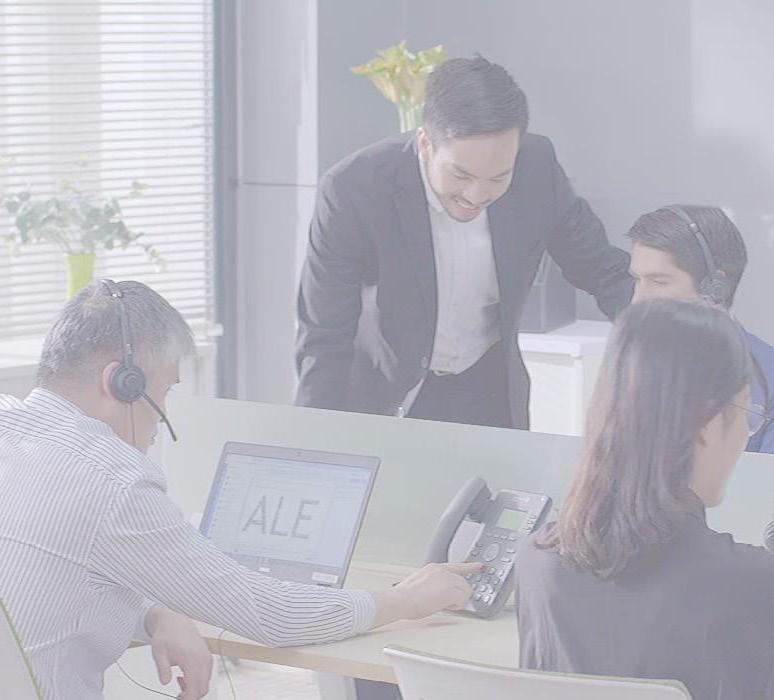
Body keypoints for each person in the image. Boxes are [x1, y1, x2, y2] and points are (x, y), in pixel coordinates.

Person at [0, 280, 477, 700]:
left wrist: (157, 612)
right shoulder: (110, 479)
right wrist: (407, 599)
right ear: (122, 384)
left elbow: (51, 573)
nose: (160, 419)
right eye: (165, 391)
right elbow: (273, 616)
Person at [295, 55, 633, 430]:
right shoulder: (353, 189)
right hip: (387, 396)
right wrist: (314, 442)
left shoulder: (537, 166)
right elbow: (325, 337)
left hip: (489, 392)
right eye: (461, 174)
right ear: (425, 144)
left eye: (499, 177)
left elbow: (602, 269)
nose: (477, 194)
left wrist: (667, 337)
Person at [515, 299, 774, 700]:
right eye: (746, 412)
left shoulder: (536, 563)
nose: (745, 432)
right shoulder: (751, 585)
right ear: (707, 424)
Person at [626, 204, 773, 453]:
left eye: (659, 282)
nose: (637, 300)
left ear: (714, 288)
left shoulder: (767, 380)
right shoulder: (635, 368)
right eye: (636, 280)